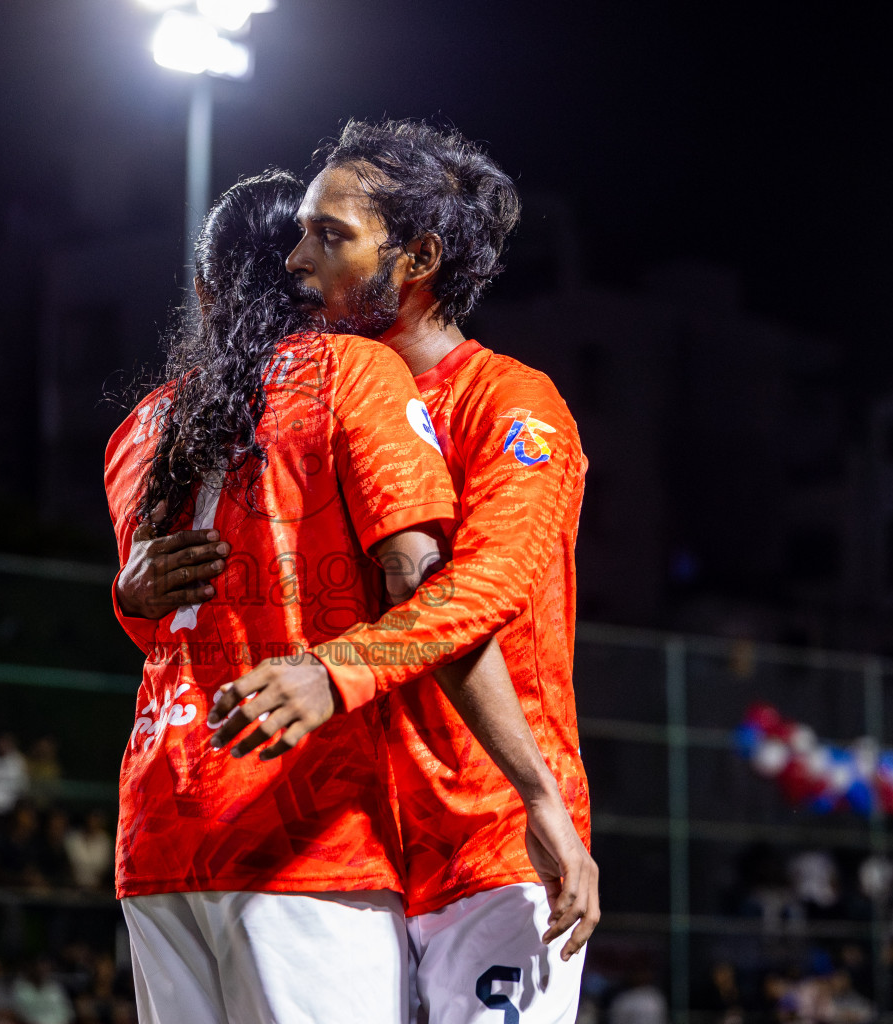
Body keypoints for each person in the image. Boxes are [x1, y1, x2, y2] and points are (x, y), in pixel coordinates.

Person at [141, 119, 599, 1022]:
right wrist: (131, 589)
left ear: (418, 256)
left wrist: (330, 672)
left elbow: (477, 594)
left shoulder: (514, 406)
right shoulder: (314, 397)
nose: (294, 260)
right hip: (352, 842)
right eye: (302, 229)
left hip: (489, 833)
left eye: (330, 236)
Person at [105, 169, 460, 1022]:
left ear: (204, 290)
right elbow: (418, 576)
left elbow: (154, 617)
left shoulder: (141, 429)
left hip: (161, 815)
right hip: (305, 819)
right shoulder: (355, 371)